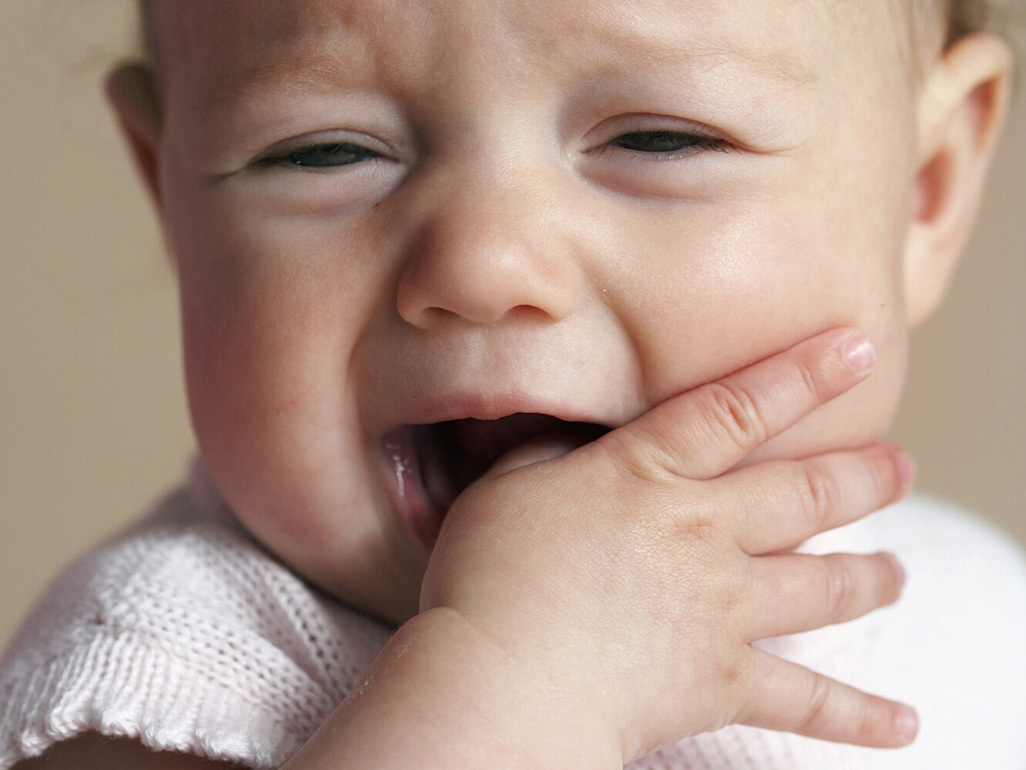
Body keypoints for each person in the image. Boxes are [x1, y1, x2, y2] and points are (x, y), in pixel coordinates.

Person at [2, 0, 1025, 767]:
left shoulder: (979, 605)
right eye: (321, 151)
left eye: (656, 137)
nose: (482, 267)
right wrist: (522, 677)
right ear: (170, 191)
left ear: (925, 190)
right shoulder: (158, 667)